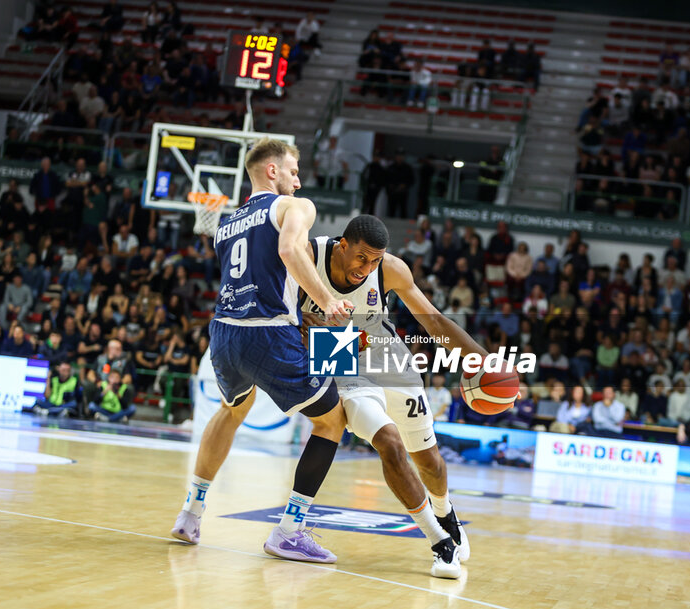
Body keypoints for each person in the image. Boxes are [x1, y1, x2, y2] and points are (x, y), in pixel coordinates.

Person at [170, 138, 353, 567]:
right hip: (267, 331)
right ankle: (290, 531)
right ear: (272, 171)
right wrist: (327, 300)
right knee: (332, 420)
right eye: (293, 170)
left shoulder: (228, 221)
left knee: (234, 408)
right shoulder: (294, 207)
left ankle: (191, 513)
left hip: (223, 332)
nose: (299, 179)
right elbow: (288, 250)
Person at [300, 214, 494, 576]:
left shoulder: (390, 269)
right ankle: (440, 542)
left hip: (389, 358)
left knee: (430, 462)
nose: (367, 268)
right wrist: (302, 328)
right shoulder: (307, 256)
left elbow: (433, 321)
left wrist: (483, 359)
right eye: (361, 258)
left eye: (375, 260)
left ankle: (444, 509)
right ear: (343, 245)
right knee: (389, 443)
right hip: (341, 362)